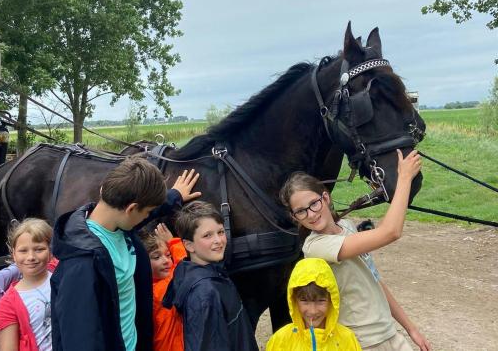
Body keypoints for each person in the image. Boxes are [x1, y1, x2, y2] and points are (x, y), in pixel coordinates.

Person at [280, 150, 431, 351]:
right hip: (361, 341)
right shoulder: (316, 247)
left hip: (389, 333)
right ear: (295, 217)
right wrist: (404, 178)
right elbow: (391, 232)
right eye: (301, 211)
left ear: (325, 198)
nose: (311, 214)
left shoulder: (348, 227)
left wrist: (411, 329)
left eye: (314, 204)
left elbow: (375, 280)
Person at [51, 159, 200, 351]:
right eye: (147, 212)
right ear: (131, 208)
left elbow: (141, 215)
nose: (148, 217)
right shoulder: (83, 264)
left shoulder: (116, 226)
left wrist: (174, 195)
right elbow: (81, 338)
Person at [163, 201, 259, 351]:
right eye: (207, 235)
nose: (218, 240)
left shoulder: (194, 270)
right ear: (189, 245)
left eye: (220, 232)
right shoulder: (206, 293)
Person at [266, 257, 362, 351]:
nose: (313, 311)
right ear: (294, 300)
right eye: (304, 301)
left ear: (332, 300)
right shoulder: (280, 340)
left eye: (321, 301)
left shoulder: (347, 339)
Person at [0, 218, 58, 351]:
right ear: (14, 254)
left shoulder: (62, 273)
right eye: (23, 251)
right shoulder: (7, 304)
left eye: (39, 249)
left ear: (50, 251)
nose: (31, 257)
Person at [140, 222, 187, 351]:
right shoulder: (156, 291)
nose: (166, 261)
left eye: (168, 255)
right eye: (156, 257)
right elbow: (185, 270)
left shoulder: (147, 286)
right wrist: (173, 243)